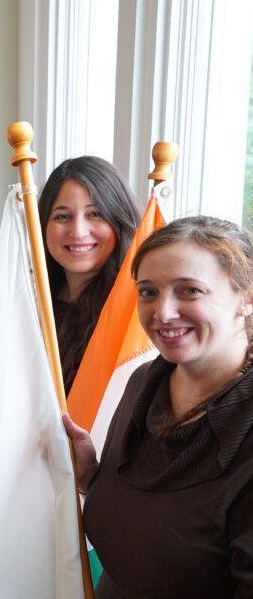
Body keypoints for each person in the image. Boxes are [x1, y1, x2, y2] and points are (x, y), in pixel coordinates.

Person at [64, 216, 253, 598]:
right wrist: (91, 479)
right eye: (148, 292)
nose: (163, 313)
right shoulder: (143, 383)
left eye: (190, 291)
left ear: (246, 299)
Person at [38, 156, 139, 393]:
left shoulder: (134, 310)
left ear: (118, 221)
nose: (78, 232)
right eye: (63, 216)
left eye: (95, 214)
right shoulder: (31, 304)